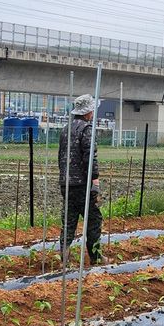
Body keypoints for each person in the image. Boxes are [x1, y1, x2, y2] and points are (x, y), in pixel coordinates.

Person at [58, 93, 102, 264]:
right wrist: (95, 180)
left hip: (66, 182)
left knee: (69, 220)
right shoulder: (86, 129)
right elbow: (90, 157)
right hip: (82, 184)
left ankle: (64, 256)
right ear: (88, 112)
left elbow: (61, 157)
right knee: (94, 219)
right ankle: (95, 257)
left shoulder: (65, 129)